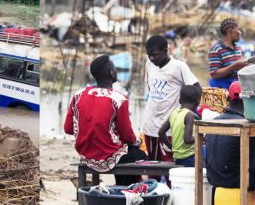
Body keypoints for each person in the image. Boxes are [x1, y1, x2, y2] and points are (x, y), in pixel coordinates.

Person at [64, 55, 145, 186]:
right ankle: (123, 191)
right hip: (107, 156)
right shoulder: (119, 98)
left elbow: (68, 129)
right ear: (112, 73)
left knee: (127, 151)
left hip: (86, 155)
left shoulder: (78, 94)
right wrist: (138, 142)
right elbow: (127, 135)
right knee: (139, 155)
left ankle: (118, 189)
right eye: (115, 68)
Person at [205, 81, 255, 199]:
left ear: (228, 100)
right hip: (237, 180)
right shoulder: (246, 126)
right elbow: (253, 169)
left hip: (217, 180)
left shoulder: (213, 121)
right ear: (247, 101)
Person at [143, 35, 199, 174]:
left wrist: (188, 114)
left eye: (155, 55)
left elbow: (197, 89)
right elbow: (151, 89)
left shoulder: (179, 67)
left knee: (170, 170)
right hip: (150, 125)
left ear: (165, 50)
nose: (152, 58)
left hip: (169, 127)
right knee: (152, 168)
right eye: (149, 55)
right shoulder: (149, 64)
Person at [158, 85, 201, 167]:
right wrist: (201, 136)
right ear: (197, 102)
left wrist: (172, 147)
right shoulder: (190, 115)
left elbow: (161, 132)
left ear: (180, 100)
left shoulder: (174, 112)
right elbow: (187, 140)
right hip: (189, 157)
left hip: (177, 157)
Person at [208, 18, 248, 89]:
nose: (240, 33)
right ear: (230, 32)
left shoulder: (237, 48)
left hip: (235, 86)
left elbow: (238, 69)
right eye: (238, 30)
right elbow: (214, 74)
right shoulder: (216, 49)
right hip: (222, 89)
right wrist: (234, 66)